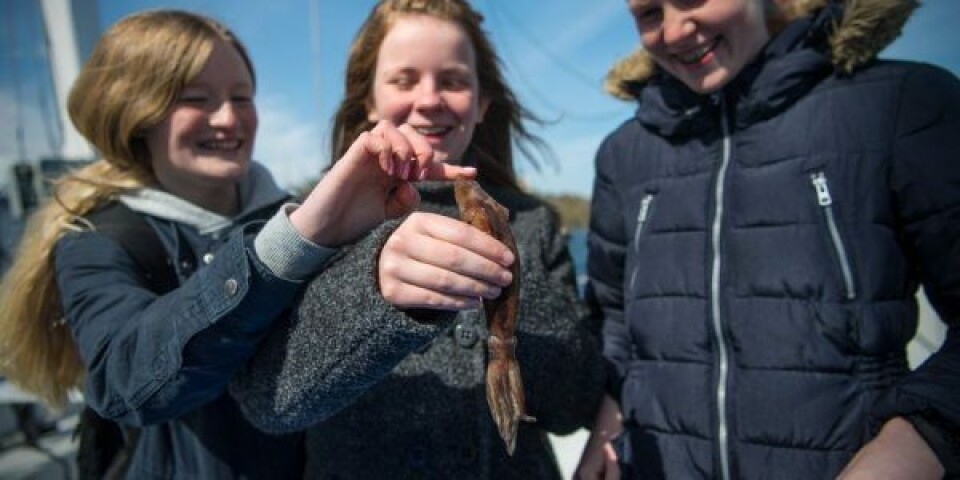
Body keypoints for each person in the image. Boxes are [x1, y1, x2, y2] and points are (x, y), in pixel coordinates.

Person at [0, 10, 477, 479]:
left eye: (241, 96)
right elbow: (125, 382)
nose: (228, 118)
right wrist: (295, 242)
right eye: (196, 98)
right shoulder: (95, 240)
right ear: (134, 111)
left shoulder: (298, 216)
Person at [575, 0, 960, 478]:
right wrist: (607, 425)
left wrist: (919, 441)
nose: (674, 32)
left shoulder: (905, 104)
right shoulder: (624, 154)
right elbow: (614, 320)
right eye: (650, 12)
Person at [229, 0, 606, 477]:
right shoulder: (314, 220)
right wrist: (373, 292)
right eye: (404, 80)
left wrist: (508, 279)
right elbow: (268, 402)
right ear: (367, 98)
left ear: (483, 101)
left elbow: (575, 405)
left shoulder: (532, 222)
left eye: (452, 80)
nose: (429, 99)